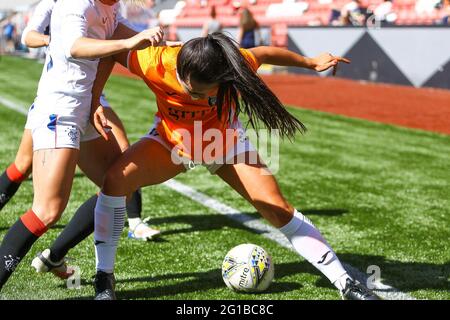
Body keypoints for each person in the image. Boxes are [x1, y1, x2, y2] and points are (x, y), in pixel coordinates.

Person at [89, 32, 380, 300]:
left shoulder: (232, 64)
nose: (197, 98)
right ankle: (104, 278)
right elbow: (112, 52)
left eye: (205, 94)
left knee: (276, 207)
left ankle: (345, 283)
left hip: (223, 142)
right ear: (180, 70)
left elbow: (264, 53)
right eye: (193, 91)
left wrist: (309, 62)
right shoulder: (154, 60)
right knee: (115, 181)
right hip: (172, 141)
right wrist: (95, 100)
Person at [0, 0, 165, 292]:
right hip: (60, 110)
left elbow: (115, 32)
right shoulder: (77, 3)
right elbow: (74, 46)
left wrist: (161, 42)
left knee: (120, 187)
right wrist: (130, 41)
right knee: (46, 211)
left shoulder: (109, 5)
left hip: (86, 105)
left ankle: (58, 256)